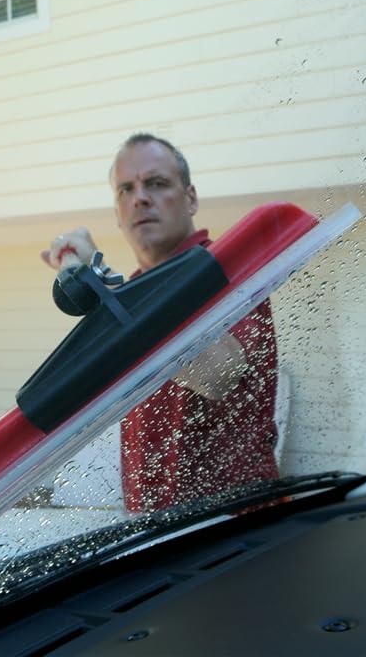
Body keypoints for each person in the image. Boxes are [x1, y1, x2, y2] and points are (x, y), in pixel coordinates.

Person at [41, 133, 280, 513]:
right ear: (118, 215)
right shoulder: (132, 295)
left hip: (238, 530)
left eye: (156, 183)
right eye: (125, 189)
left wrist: (104, 289)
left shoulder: (230, 268)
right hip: (155, 532)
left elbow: (217, 375)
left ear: (191, 198)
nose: (139, 198)